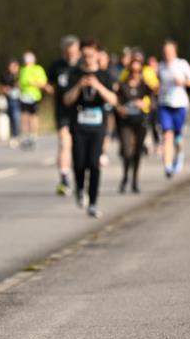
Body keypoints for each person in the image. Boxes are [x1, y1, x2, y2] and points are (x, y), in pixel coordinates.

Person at [63, 40, 118, 218]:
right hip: (79, 123)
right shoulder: (74, 74)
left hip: (98, 124)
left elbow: (113, 100)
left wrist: (97, 86)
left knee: (94, 164)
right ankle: (80, 188)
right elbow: (67, 100)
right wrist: (79, 86)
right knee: (79, 163)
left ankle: (93, 202)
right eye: (84, 56)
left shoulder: (104, 75)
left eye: (91, 56)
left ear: (97, 55)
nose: (88, 59)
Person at [114, 55, 157, 193]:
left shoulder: (145, 87)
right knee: (127, 152)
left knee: (137, 152)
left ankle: (134, 180)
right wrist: (120, 108)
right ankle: (125, 177)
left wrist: (145, 104)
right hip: (125, 122)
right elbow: (115, 101)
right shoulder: (122, 86)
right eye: (132, 71)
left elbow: (153, 101)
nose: (135, 74)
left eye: (138, 71)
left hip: (140, 121)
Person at [156, 40, 190, 177]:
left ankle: (179, 156)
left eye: (170, 52)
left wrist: (183, 82)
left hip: (179, 105)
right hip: (164, 104)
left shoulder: (182, 64)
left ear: (175, 52)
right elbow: (155, 83)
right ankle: (167, 166)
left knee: (177, 136)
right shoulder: (160, 67)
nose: (167, 55)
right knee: (167, 135)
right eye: (165, 52)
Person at [50, 35, 81, 195]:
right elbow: (48, 83)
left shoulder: (83, 66)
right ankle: (64, 178)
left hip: (81, 111)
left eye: (74, 52)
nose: (71, 56)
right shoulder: (57, 66)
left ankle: (81, 178)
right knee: (64, 143)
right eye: (68, 53)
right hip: (62, 111)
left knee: (79, 147)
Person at [17, 52, 48, 149]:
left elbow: (43, 83)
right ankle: (25, 135)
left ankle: (33, 135)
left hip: (34, 96)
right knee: (24, 116)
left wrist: (33, 83)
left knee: (33, 116)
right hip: (23, 96)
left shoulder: (38, 69)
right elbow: (19, 82)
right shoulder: (22, 70)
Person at [0, 58, 22, 148]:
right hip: (10, 99)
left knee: (18, 117)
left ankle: (22, 134)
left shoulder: (21, 75)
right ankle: (14, 135)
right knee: (12, 117)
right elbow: (2, 88)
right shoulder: (5, 76)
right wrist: (6, 90)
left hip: (21, 99)